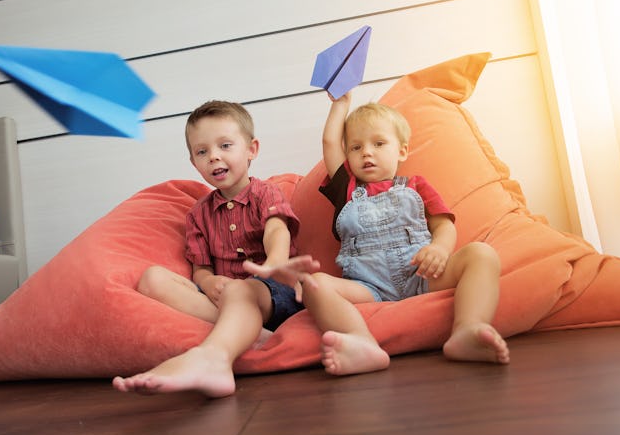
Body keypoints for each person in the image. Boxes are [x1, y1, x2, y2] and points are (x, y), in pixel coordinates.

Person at [257, 92, 509, 375]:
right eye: (356, 147)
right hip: (368, 287)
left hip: (421, 275)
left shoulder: (416, 185)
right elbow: (329, 142)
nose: (367, 152)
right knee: (314, 284)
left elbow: (444, 226)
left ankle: (468, 329)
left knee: (482, 254)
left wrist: (439, 249)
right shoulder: (347, 189)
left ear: (401, 150)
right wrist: (340, 103)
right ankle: (361, 343)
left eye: (378, 143)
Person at [112, 100, 319, 398]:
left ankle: (215, 355)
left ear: (251, 150)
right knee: (152, 278)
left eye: (225, 145)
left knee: (242, 291)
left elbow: (277, 229)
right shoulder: (198, 214)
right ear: (193, 162)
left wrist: (273, 263)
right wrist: (208, 282)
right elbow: (201, 267)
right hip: (224, 297)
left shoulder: (266, 192)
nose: (214, 157)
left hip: (274, 291)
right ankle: (253, 334)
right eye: (202, 151)